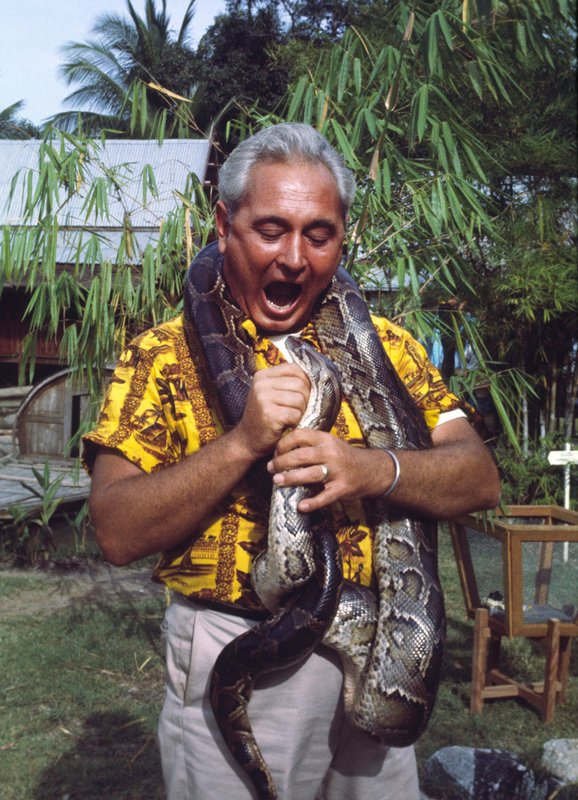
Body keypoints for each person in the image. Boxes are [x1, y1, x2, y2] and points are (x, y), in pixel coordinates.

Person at [83, 122, 500, 800]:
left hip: (379, 649)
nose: (295, 259)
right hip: (242, 649)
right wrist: (243, 441)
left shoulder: (389, 347)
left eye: (319, 234)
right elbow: (116, 530)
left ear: (344, 237)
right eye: (271, 229)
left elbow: (478, 476)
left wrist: (372, 469)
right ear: (224, 225)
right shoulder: (160, 357)